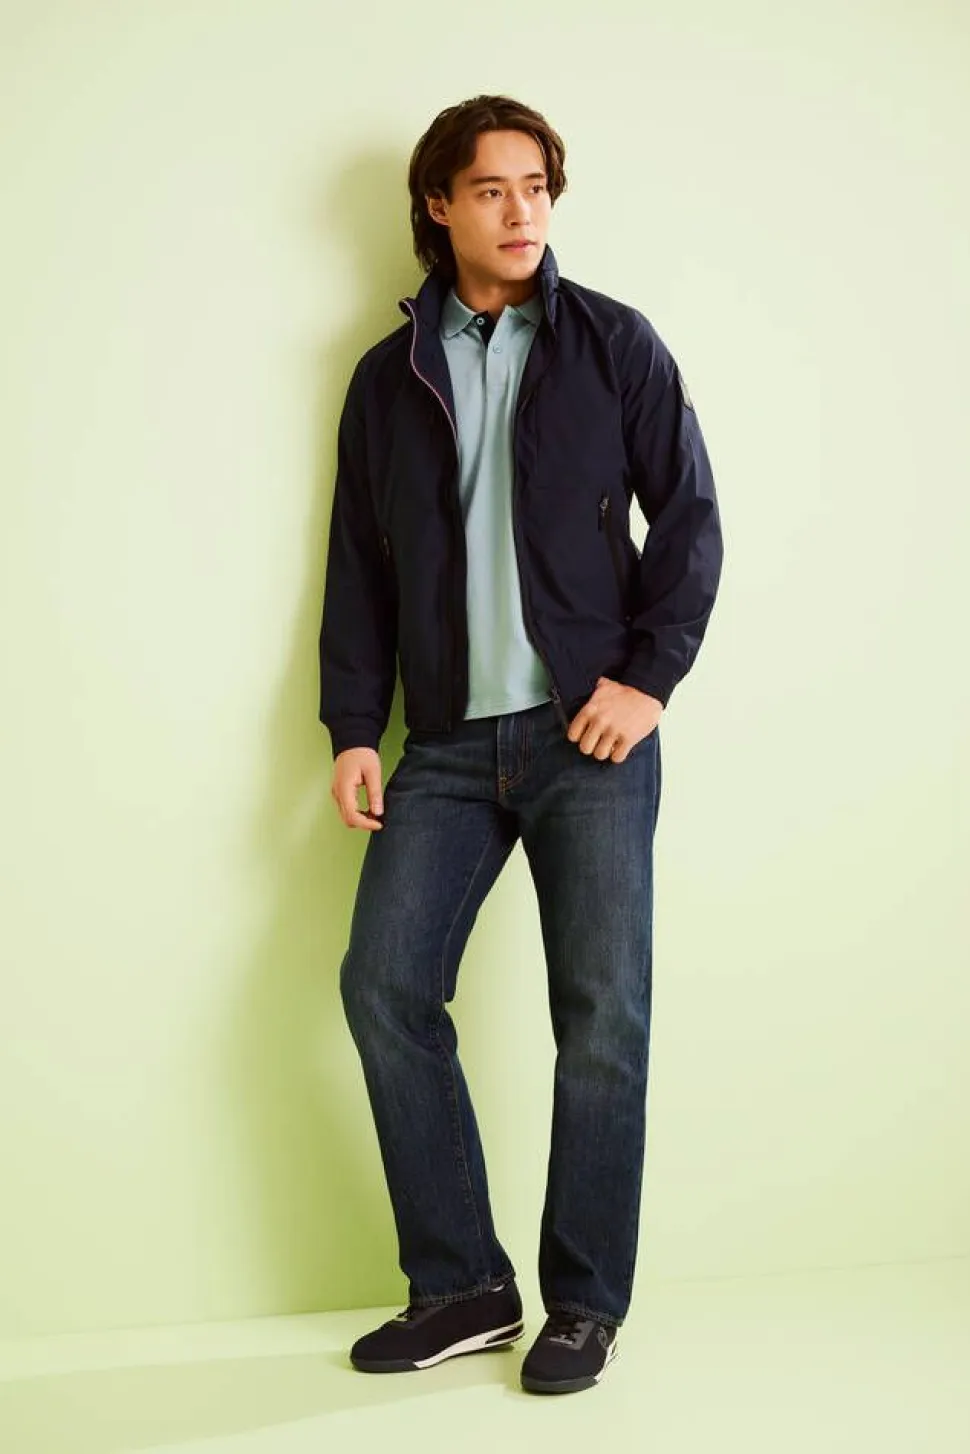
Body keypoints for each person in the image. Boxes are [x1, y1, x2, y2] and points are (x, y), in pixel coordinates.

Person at [317, 94, 723, 1396]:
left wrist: (646, 681)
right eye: (491, 188)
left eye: (537, 186)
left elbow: (691, 519)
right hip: (442, 742)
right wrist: (353, 727)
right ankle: (463, 1286)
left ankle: (584, 1304)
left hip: (585, 738)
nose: (522, 210)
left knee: (600, 1017)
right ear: (438, 205)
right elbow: (359, 567)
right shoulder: (387, 379)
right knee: (384, 985)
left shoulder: (614, 345)